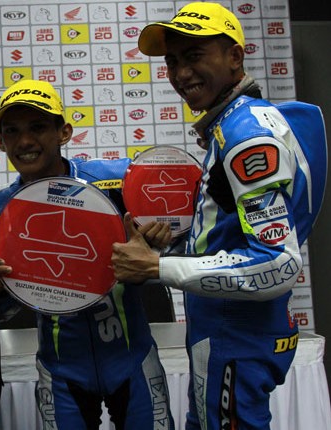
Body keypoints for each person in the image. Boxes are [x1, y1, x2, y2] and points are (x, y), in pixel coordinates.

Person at [111, 3, 327, 429]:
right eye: (172, 61)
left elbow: (279, 264)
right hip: (224, 328)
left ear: (234, 56)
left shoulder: (247, 136)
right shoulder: (232, 126)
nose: (180, 73)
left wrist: (157, 267)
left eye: (194, 56)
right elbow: (231, 237)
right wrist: (170, 247)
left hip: (236, 333)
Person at [0, 79, 175, 430]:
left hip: (132, 360)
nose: (25, 141)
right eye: (12, 131)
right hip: (61, 372)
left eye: (38, 127)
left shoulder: (117, 181)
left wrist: (160, 245)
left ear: (64, 132)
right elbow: (2, 310)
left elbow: (175, 240)